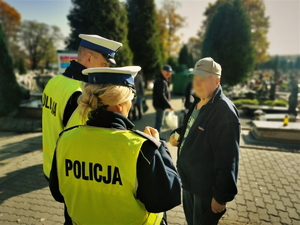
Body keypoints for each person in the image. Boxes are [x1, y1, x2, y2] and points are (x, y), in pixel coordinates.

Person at [49, 66, 181, 225]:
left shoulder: (66, 138)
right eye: (131, 99)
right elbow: (167, 198)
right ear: (120, 104)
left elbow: (58, 193)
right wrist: (159, 147)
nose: (131, 105)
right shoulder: (141, 147)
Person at [169, 57, 240, 225]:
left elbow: (228, 158)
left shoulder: (225, 113)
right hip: (188, 182)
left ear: (217, 81)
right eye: (195, 78)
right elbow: (190, 127)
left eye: (203, 79)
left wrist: (221, 197)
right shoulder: (199, 100)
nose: (197, 83)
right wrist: (178, 134)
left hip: (205, 190)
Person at [42, 34, 122, 180]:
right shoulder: (81, 95)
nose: (106, 69)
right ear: (89, 58)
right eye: (104, 64)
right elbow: (82, 142)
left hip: (49, 165)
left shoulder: (52, 82)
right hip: (68, 173)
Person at [153, 65, 174, 132]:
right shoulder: (161, 81)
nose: (168, 73)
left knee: (159, 122)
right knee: (159, 123)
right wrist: (169, 106)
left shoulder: (163, 80)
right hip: (160, 105)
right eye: (167, 71)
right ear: (162, 71)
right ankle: (156, 138)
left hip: (160, 105)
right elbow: (161, 95)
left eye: (169, 72)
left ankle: (158, 136)